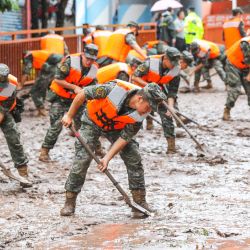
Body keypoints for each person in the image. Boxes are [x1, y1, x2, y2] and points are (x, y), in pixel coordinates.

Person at [60, 81, 168, 218]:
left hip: (116, 128)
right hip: (92, 121)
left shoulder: (140, 115)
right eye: (148, 107)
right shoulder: (112, 90)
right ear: (140, 99)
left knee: (133, 156)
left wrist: (107, 158)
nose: (149, 111)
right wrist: (69, 116)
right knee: (83, 158)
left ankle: (139, 202)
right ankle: (70, 201)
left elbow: (124, 138)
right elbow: (83, 94)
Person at [39, 44, 99, 162]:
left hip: (76, 100)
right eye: (87, 58)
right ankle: (44, 152)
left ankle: (96, 149)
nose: (89, 62)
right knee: (56, 125)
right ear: (82, 55)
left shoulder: (94, 68)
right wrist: (74, 87)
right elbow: (57, 79)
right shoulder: (69, 62)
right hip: (59, 97)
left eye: (92, 59)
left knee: (86, 123)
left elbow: (93, 85)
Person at [132, 47, 181, 153]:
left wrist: (171, 107)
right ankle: (124, 144)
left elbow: (172, 91)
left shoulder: (176, 70)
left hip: (157, 91)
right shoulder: (149, 63)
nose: (174, 65)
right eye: (172, 62)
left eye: (175, 62)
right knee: (133, 118)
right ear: (166, 58)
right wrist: (149, 86)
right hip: (140, 90)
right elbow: (134, 77)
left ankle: (171, 148)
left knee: (167, 115)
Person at [21, 33, 69, 116]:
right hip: (60, 60)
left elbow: (26, 72)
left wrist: (21, 85)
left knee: (37, 89)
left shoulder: (28, 56)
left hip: (52, 62)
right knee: (50, 85)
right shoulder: (57, 40)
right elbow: (67, 52)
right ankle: (59, 105)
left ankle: (41, 109)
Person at [0, 64, 32, 188]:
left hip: (3, 109)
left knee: (14, 137)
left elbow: (3, 110)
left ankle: (23, 172)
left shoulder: (11, 84)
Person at [223, 37, 250, 120]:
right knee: (235, 89)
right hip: (233, 63)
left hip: (246, 66)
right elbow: (248, 59)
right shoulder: (246, 43)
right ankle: (227, 110)